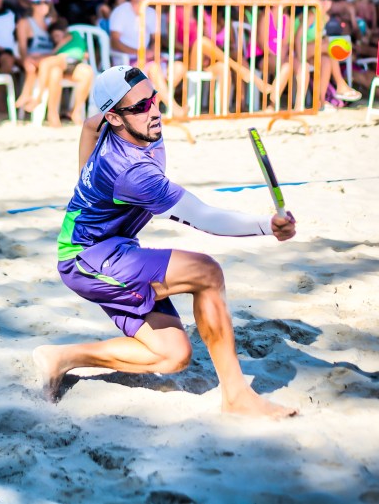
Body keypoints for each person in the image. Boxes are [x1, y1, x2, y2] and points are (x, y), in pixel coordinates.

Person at [32, 64, 298, 418]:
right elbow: (203, 217)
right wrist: (267, 226)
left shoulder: (123, 124)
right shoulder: (131, 172)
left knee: (173, 355)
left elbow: (88, 125)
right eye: (141, 107)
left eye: (154, 99)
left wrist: (86, 181)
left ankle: (61, 357)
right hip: (87, 258)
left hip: (112, 246)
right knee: (206, 272)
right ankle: (237, 397)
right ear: (115, 117)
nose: (154, 111)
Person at [109, 0, 187, 118]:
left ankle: (152, 105)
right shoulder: (120, 11)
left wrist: (153, 52)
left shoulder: (150, 12)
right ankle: (175, 110)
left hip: (146, 59)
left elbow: (156, 40)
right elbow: (114, 42)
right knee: (154, 68)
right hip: (126, 61)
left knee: (179, 67)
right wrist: (140, 52)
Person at [295, 0, 361, 108]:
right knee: (329, 46)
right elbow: (297, 38)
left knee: (326, 61)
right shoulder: (312, 14)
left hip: (311, 49)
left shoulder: (325, 17)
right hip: (298, 50)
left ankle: (320, 101)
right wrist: (300, 59)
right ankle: (340, 84)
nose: (326, 1)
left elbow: (320, 37)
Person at [24, 17, 94, 127]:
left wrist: (53, 51)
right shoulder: (62, 43)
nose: (56, 39)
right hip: (63, 65)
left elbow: (55, 52)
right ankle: (52, 113)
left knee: (87, 72)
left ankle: (75, 111)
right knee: (54, 72)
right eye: (53, 37)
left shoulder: (72, 34)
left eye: (57, 35)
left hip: (71, 61)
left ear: (64, 31)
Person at [15, 0, 56, 110]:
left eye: (46, 2)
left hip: (50, 58)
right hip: (34, 58)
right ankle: (29, 96)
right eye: (39, 2)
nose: (43, 5)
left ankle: (30, 96)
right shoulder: (24, 22)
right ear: (32, 4)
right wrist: (25, 60)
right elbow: (22, 46)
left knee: (42, 63)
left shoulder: (53, 22)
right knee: (31, 65)